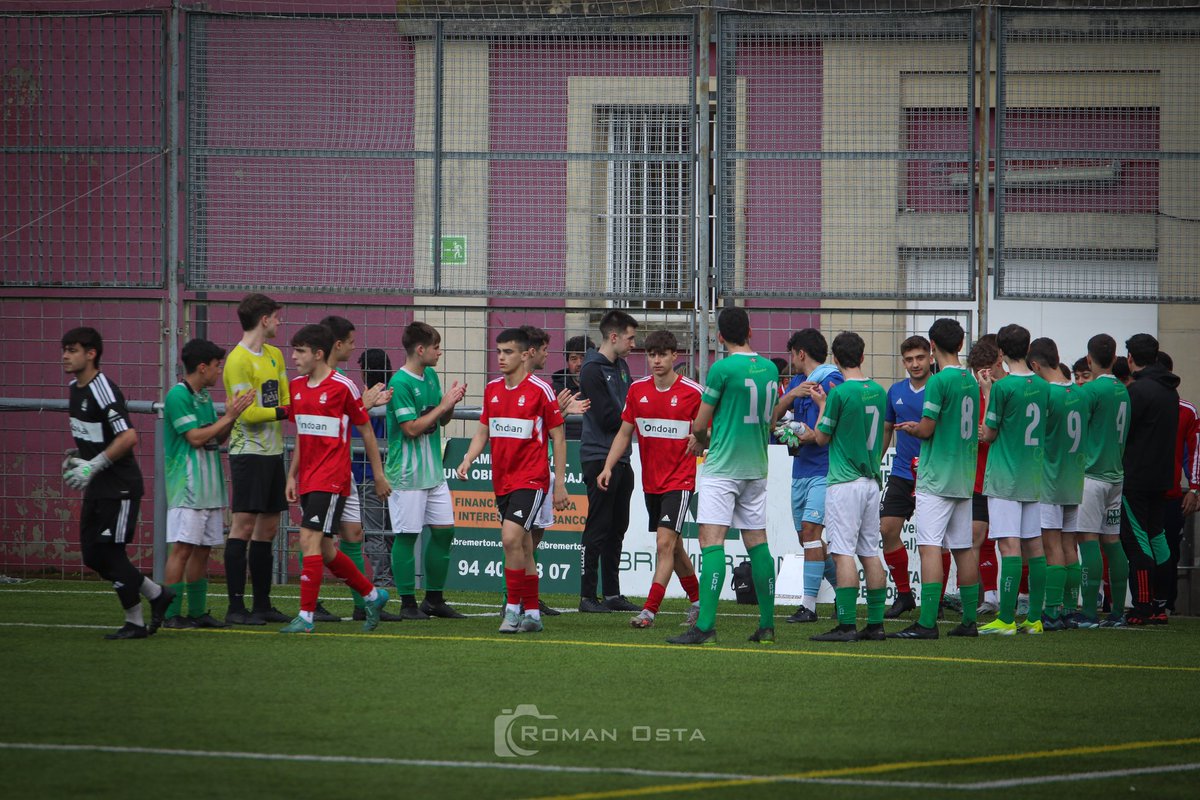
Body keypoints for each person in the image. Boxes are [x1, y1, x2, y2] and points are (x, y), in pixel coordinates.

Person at [669, 307, 778, 645]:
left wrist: (700, 443)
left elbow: (700, 424)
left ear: (719, 337)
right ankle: (767, 626)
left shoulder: (721, 369)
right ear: (750, 331)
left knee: (711, 543)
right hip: (756, 467)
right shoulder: (772, 368)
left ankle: (704, 627)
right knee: (758, 543)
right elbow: (770, 422)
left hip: (723, 469)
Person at [61, 327, 174, 639]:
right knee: (93, 555)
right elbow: (95, 438)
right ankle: (156, 594)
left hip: (120, 487)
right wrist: (75, 458)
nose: (65, 356)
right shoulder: (75, 388)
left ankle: (135, 622)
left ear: (91, 353)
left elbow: (128, 436)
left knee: (111, 554)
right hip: (97, 486)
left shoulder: (103, 390)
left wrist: (92, 465)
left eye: (72, 350)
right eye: (65, 349)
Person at [280, 324, 391, 633]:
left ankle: (306, 616)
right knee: (326, 549)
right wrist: (292, 474)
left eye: (300, 351)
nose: (294, 356)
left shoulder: (343, 386)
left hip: (333, 478)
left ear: (318, 354)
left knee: (308, 540)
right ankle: (372, 594)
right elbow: (303, 432)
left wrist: (379, 475)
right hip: (308, 478)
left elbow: (366, 429)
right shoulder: (297, 387)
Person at [457, 328, 569, 634]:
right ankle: (532, 613)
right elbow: (483, 431)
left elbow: (558, 438)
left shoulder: (540, 391)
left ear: (524, 355)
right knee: (521, 545)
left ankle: (512, 609)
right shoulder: (493, 390)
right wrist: (468, 458)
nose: (502, 358)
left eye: (508, 352)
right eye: (499, 352)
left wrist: (559, 483)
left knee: (510, 538)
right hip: (502, 480)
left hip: (532, 479)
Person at [597, 329, 704, 629]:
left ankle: (649, 611)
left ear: (675, 356)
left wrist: (701, 439)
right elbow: (624, 432)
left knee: (664, 544)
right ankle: (699, 601)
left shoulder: (693, 392)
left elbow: (712, 428)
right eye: (652, 354)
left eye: (662, 354)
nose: (656, 360)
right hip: (651, 483)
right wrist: (607, 466)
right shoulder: (637, 391)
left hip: (680, 482)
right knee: (674, 547)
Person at [888, 318, 981, 639]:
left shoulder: (939, 382)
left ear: (932, 347)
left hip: (937, 475)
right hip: (963, 476)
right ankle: (969, 620)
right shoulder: (970, 380)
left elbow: (927, 428)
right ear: (960, 344)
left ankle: (927, 622)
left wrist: (912, 428)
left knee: (929, 548)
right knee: (963, 549)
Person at [162, 339, 254, 629]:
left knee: (202, 550)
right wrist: (227, 416)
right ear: (202, 367)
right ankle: (169, 613)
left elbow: (216, 438)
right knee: (182, 549)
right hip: (187, 488)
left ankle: (198, 612)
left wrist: (232, 417)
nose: (219, 372)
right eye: (216, 366)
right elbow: (195, 438)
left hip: (210, 488)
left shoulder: (202, 397)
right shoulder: (178, 396)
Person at [311, 315, 396, 622]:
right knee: (315, 538)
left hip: (343, 470)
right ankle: (310, 605)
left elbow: (352, 419)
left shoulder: (344, 380)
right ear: (337, 343)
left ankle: (365, 603)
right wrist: (365, 402)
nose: (353, 346)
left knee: (354, 533)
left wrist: (364, 404)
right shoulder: (317, 379)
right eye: (350, 341)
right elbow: (326, 417)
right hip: (320, 470)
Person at [383, 322, 469, 620]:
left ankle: (433, 599)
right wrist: (443, 404)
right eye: (436, 347)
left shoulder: (430, 375)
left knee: (445, 532)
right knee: (407, 536)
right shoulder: (400, 383)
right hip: (406, 475)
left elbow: (439, 422)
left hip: (433, 473)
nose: (440, 352)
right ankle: (407, 603)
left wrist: (451, 404)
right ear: (420, 350)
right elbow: (410, 429)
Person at [807, 332, 889, 642]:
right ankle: (877, 624)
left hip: (844, 482)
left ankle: (846, 626)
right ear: (863, 356)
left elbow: (821, 437)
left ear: (836, 360)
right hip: (870, 480)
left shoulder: (840, 394)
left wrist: (822, 404)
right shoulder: (878, 391)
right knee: (870, 552)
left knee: (843, 553)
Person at [977, 324, 1050, 636]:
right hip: (1033, 476)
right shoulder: (1044, 385)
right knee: (1034, 546)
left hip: (1006, 477)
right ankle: (1034, 619)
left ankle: (1006, 619)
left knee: (1009, 546)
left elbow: (990, 433)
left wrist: (987, 395)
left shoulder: (1003, 388)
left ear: (1002, 353)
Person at [222, 293, 290, 625]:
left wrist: (282, 409)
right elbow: (247, 413)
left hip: (273, 452)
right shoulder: (237, 360)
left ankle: (262, 604)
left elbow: (283, 396)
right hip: (247, 453)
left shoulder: (275, 355)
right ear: (264, 319)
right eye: (276, 317)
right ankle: (236, 607)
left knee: (269, 528)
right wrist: (284, 411)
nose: (279, 322)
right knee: (244, 526)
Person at [771, 328, 843, 624]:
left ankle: (809, 606)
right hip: (800, 471)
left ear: (801, 353)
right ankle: (845, 590)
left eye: (793, 354)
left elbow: (821, 432)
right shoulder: (798, 383)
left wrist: (796, 431)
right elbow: (771, 419)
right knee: (807, 539)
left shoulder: (831, 380)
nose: (792, 360)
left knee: (813, 535)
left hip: (824, 470)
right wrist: (790, 396)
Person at [520, 325, 590, 617]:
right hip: (524, 472)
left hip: (542, 467)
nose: (551, 356)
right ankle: (513, 598)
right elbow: (535, 426)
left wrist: (559, 413)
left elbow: (544, 425)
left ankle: (527, 596)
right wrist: (562, 413)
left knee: (534, 536)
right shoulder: (535, 386)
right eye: (546, 350)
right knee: (518, 538)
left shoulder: (543, 387)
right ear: (532, 351)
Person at [578, 310, 639, 613]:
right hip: (599, 456)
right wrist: (638, 417)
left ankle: (612, 593)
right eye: (630, 337)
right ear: (613, 337)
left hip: (623, 456)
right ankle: (587, 595)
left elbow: (626, 413)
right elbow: (608, 417)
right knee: (598, 526)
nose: (633, 344)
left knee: (618, 526)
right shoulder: (591, 370)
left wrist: (632, 418)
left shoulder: (623, 366)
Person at [1027, 337, 1088, 632]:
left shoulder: (1046, 394)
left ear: (1036, 365)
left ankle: (1051, 612)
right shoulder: (1079, 392)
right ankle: (1067, 608)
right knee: (1068, 546)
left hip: (1049, 480)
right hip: (1073, 478)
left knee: (1051, 546)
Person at [1120, 334, 1180, 625]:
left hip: (1137, 479)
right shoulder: (1170, 391)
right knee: (1158, 537)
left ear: (1131, 358)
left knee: (1138, 542)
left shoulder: (1138, 391)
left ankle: (1142, 605)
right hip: (1161, 478)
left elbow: (1124, 434)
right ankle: (1161, 604)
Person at [1072, 333, 1130, 628]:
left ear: (1090, 360)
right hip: (1116, 476)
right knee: (1112, 540)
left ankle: (1090, 613)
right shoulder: (1122, 389)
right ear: (1116, 358)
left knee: (1088, 540)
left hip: (1092, 476)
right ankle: (1118, 611)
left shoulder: (1091, 391)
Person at [879, 335, 932, 619]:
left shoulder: (939, 388)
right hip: (902, 472)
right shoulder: (895, 391)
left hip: (933, 474)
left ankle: (934, 602)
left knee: (935, 541)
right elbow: (888, 429)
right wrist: (877, 461)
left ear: (930, 357)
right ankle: (904, 594)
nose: (915, 364)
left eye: (920, 358)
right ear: (903, 362)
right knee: (888, 530)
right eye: (909, 360)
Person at [1160, 351, 1200, 614]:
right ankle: (1145, 601)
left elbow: (1194, 450)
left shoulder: (1186, 410)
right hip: (1137, 490)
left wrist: (1195, 489)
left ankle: (1167, 603)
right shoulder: (1135, 401)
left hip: (1171, 493)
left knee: (1170, 549)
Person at [967, 336, 1003, 616]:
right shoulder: (970, 393)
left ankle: (1025, 595)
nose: (983, 374)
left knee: (1017, 540)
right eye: (978, 368)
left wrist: (989, 432)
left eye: (986, 367)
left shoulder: (1006, 390)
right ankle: (988, 596)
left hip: (1008, 478)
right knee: (978, 536)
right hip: (979, 476)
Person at [357, 347, 395, 590]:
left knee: (375, 532)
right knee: (392, 530)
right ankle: (393, 577)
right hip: (393, 471)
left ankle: (384, 579)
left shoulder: (364, 400)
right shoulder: (395, 393)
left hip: (367, 473)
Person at [551, 335, 595, 440]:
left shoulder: (601, 386)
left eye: (583, 357)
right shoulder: (556, 389)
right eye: (574, 359)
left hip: (594, 445)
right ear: (567, 362)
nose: (579, 363)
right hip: (564, 443)